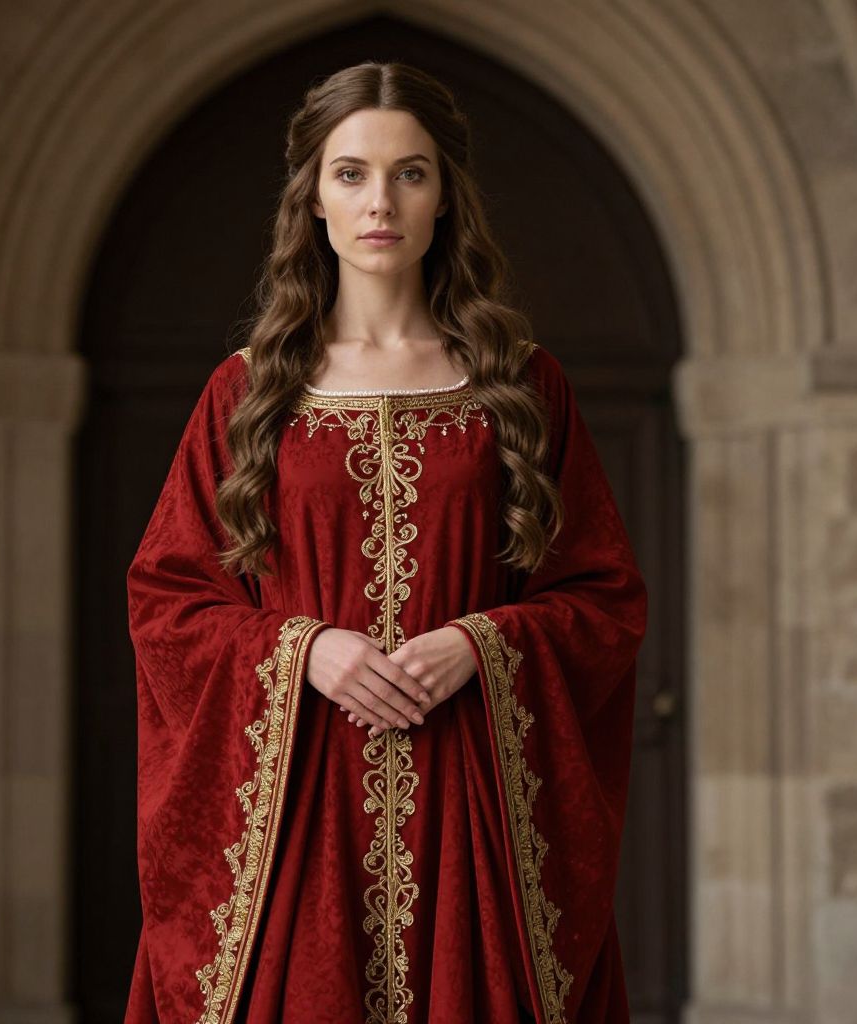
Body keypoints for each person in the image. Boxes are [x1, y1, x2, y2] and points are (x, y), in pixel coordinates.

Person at [123, 60, 647, 1024]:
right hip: (299, 814)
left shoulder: (522, 386)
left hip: (472, 802)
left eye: (410, 173)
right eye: (351, 173)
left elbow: (604, 598)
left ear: (445, 196)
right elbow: (167, 600)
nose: (380, 202)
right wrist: (306, 651)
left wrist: (480, 644)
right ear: (312, 199)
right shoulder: (246, 395)